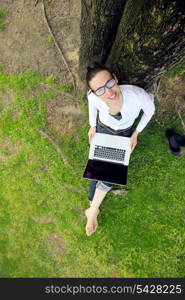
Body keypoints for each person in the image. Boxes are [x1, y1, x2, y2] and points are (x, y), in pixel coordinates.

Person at [85, 62, 155, 236]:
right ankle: (92, 209)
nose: (109, 92)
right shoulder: (93, 97)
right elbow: (92, 106)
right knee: (100, 166)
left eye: (109, 83)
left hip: (124, 133)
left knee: (112, 170)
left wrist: (136, 133)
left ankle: (92, 210)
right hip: (103, 129)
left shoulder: (136, 95)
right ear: (94, 93)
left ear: (115, 78)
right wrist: (93, 126)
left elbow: (150, 110)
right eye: (100, 90)